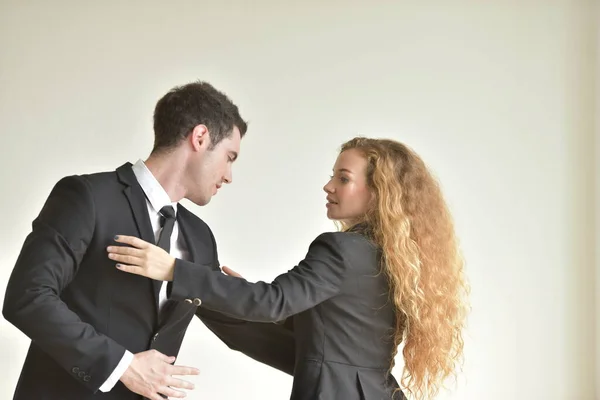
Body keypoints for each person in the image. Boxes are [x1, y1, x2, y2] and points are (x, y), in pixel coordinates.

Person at [107, 137, 470, 400]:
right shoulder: (389, 255)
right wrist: (221, 290)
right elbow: (320, 328)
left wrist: (173, 269)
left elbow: (273, 304)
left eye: (343, 178)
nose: (328, 186)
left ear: (378, 192)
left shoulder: (342, 249)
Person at [3, 81, 295, 400]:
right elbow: (28, 297)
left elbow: (237, 327)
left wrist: (336, 361)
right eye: (230, 157)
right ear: (200, 138)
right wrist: (123, 366)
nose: (229, 175)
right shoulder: (88, 197)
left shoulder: (199, 239)